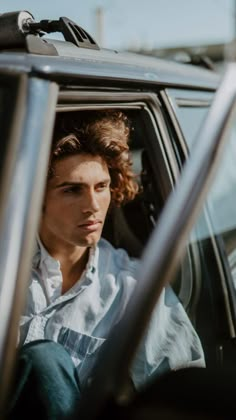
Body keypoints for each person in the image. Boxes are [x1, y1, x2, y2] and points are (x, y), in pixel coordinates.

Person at [8, 110, 205, 419]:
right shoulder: (7, 266)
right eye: (73, 189)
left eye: (101, 187)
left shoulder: (134, 288)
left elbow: (185, 395)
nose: (93, 206)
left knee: (44, 358)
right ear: (35, 196)